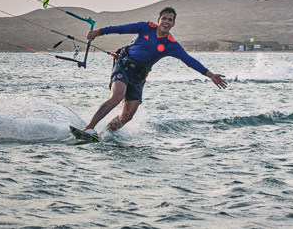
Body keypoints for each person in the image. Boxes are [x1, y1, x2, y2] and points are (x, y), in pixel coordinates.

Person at [82, 7, 227, 139]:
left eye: (170, 20)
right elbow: (121, 29)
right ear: (158, 20)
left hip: (139, 77)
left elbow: (189, 61)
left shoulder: (171, 44)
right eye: (164, 18)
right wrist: (98, 32)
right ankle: (89, 128)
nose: (166, 22)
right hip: (124, 66)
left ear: (173, 24)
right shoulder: (145, 27)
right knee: (117, 95)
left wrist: (211, 75)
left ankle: (102, 135)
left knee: (127, 115)